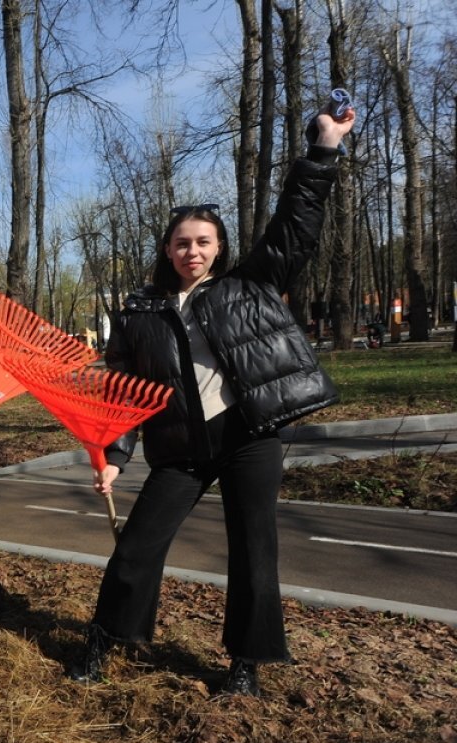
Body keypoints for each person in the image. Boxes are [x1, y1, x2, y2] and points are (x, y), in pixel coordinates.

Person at [76, 103, 356, 697]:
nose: (192, 252)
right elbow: (123, 387)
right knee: (135, 548)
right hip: (178, 449)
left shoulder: (247, 285)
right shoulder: (140, 310)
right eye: (182, 243)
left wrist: (323, 152)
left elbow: (294, 226)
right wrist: (113, 454)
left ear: (219, 247)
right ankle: (104, 639)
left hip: (248, 439)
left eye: (203, 242)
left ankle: (245, 665)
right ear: (167, 249)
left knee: (254, 551)